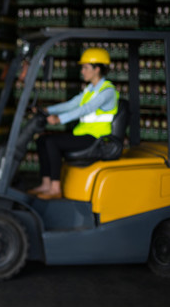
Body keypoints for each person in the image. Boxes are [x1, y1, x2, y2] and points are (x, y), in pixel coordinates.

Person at [28, 47, 119, 200]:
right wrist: (47, 110)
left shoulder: (107, 91)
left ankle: (55, 188)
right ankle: (46, 183)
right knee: (42, 139)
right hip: (84, 134)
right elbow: (71, 105)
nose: (82, 71)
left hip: (97, 138)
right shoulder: (90, 90)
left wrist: (59, 119)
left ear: (97, 69)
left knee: (52, 142)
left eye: (85, 67)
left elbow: (86, 109)